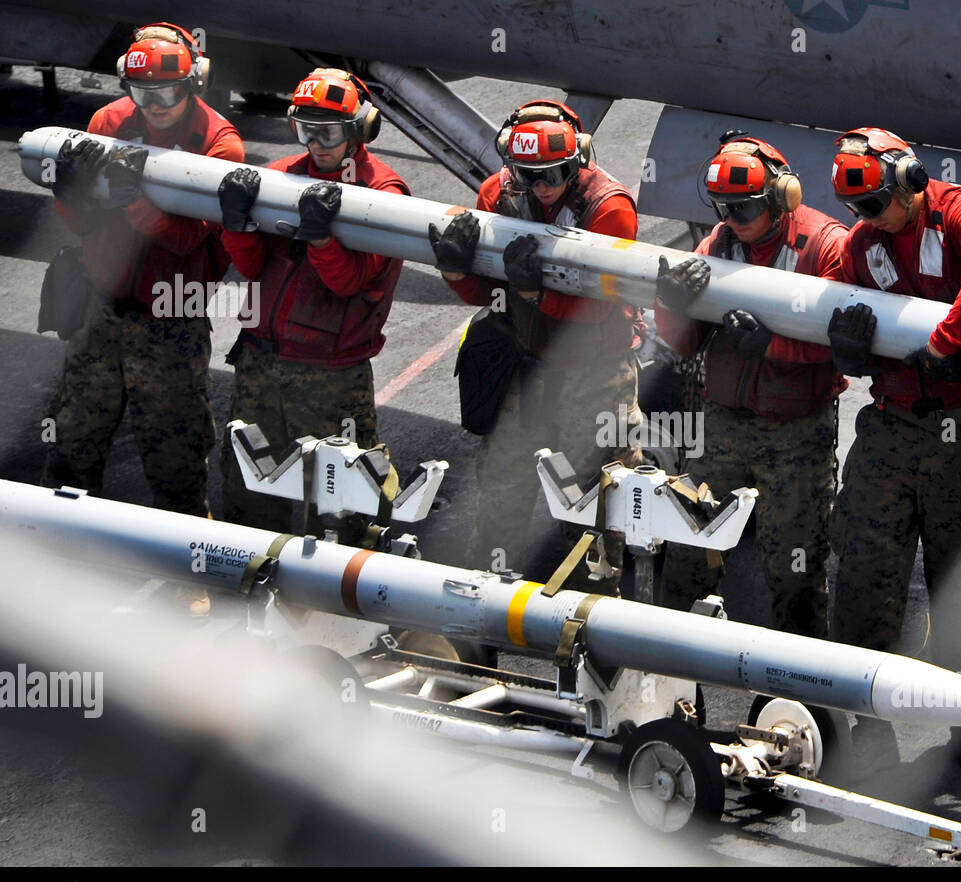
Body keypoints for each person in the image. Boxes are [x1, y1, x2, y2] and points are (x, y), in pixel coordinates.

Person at [824, 127, 961, 767]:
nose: (866, 218)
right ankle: (870, 719)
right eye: (857, 209)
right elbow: (839, 312)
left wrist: (946, 340)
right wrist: (845, 345)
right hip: (892, 424)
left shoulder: (960, 212)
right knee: (865, 571)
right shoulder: (861, 246)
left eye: (875, 203)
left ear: (909, 179)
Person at [431, 99, 641, 576]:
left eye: (554, 174)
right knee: (501, 496)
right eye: (528, 176)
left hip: (596, 375)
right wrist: (456, 269)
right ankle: (482, 618)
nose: (542, 189)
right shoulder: (496, 194)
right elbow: (483, 293)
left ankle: (597, 615)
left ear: (578, 161)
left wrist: (534, 292)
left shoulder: (609, 208)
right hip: (526, 370)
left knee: (594, 507)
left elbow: (600, 303)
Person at [43, 22, 243, 520]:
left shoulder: (219, 144)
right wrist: (71, 194)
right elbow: (83, 225)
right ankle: (63, 553)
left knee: (175, 462)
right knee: (72, 444)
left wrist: (132, 201)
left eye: (167, 93)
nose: (152, 107)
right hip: (102, 306)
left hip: (172, 316)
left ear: (194, 83)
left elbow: (188, 239)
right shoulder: (108, 121)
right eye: (141, 93)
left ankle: (187, 576)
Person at [653, 134, 846, 639]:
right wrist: (671, 304)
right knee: (686, 551)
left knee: (795, 571)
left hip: (797, 433)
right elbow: (684, 343)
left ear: (780, 199)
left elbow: (845, 345)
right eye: (723, 208)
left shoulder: (826, 246)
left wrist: (773, 348)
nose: (732, 220)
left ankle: (804, 693)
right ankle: (671, 671)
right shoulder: (718, 244)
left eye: (743, 208)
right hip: (723, 425)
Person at [217, 68, 408, 538]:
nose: (316, 144)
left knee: (343, 502)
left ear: (359, 130)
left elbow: (351, 283)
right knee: (248, 490)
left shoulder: (383, 195)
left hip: (330, 376)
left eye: (328, 132)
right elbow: (251, 264)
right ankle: (248, 581)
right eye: (306, 131)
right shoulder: (281, 177)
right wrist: (236, 223)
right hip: (260, 363)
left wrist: (322, 239)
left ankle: (348, 593)